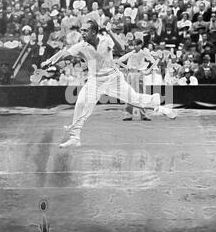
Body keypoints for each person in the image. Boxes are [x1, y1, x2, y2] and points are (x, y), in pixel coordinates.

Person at [41, 20, 176, 148]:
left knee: (135, 99)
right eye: (81, 30)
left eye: (85, 30)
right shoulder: (81, 46)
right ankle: (74, 138)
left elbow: (121, 48)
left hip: (114, 79)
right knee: (81, 104)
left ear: (93, 32)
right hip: (95, 81)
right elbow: (64, 53)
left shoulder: (106, 40)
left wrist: (110, 31)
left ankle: (162, 109)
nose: (82, 33)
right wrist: (49, 62)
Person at [116, 39, 155, 121]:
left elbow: (153, 61)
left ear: (141, 45)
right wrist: (126, 67)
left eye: (137, 45)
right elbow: (119, 60)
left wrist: (147, 70)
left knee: (140, 94)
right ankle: (128, 114)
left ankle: (143, 114)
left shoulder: (144, 53)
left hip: (139, 73)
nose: (135, 47)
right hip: (131, 74)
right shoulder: (131, 53)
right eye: (134, 45)